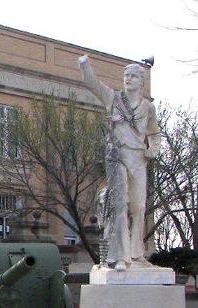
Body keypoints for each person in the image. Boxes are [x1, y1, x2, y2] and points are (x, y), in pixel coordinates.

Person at [78, 55, 160, 271]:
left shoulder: (147, 108)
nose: (128, 79)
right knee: (120, 204)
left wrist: (154, 148)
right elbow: (92, 84)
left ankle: (136, 254)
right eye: (126, 75)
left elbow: (154, 133)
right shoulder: (113, 99)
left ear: (142, 82)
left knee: (139, 206)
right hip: (117, 157)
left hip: (138, 158)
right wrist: (84, 65)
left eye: (133, 76)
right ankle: (121, 256)